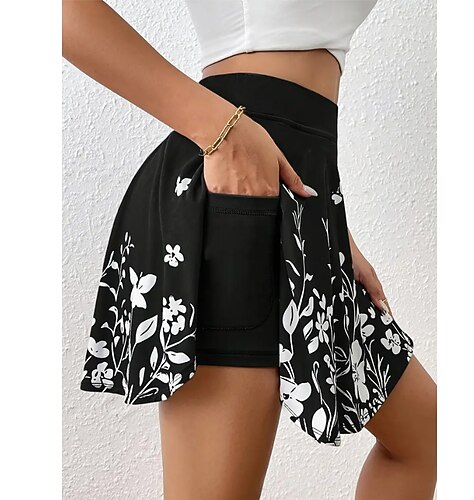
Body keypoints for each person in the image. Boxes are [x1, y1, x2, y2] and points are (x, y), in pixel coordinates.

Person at [63, 1, 437, 499]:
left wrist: (328, 226)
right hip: (235, 199)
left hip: (298, 203)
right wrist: (224, 131)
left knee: (426, 441)